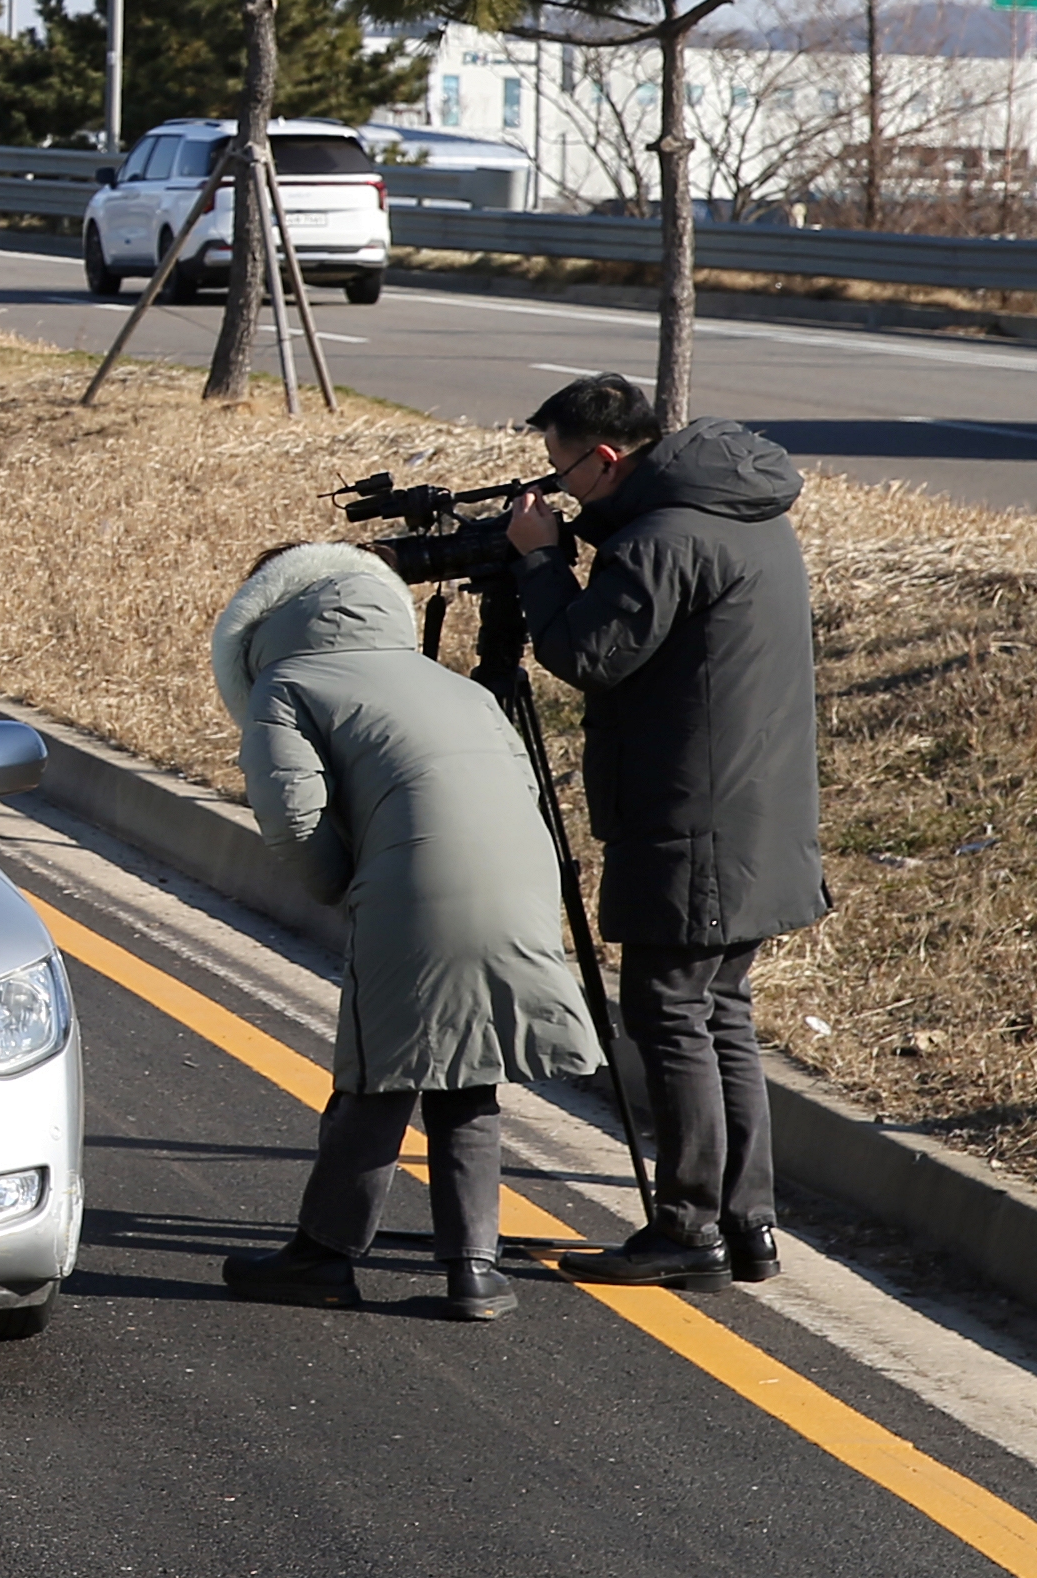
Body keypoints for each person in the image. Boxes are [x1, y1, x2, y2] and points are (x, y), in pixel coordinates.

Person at [212, 544, 603, 1322]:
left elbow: (294, 814)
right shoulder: (454, 685)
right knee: (469, 1070)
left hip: (415, 887)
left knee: (377, 1073)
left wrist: (337, 882)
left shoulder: (287, 684)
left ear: (264, 613)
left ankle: (324, 1255)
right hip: (523, 885)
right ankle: (475, 1269)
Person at [503, 372, 824, 1289]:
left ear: (606, 457)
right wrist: (577, 538)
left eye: (562, 471)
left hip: (694, 821)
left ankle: (687, 1227)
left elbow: (587, 653)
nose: (557, 488)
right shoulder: (738, 509)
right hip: (757, 812)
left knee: (669, 1013)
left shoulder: (662, 536)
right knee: (720, 1010)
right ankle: (746, 1220)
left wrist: (537, 563)